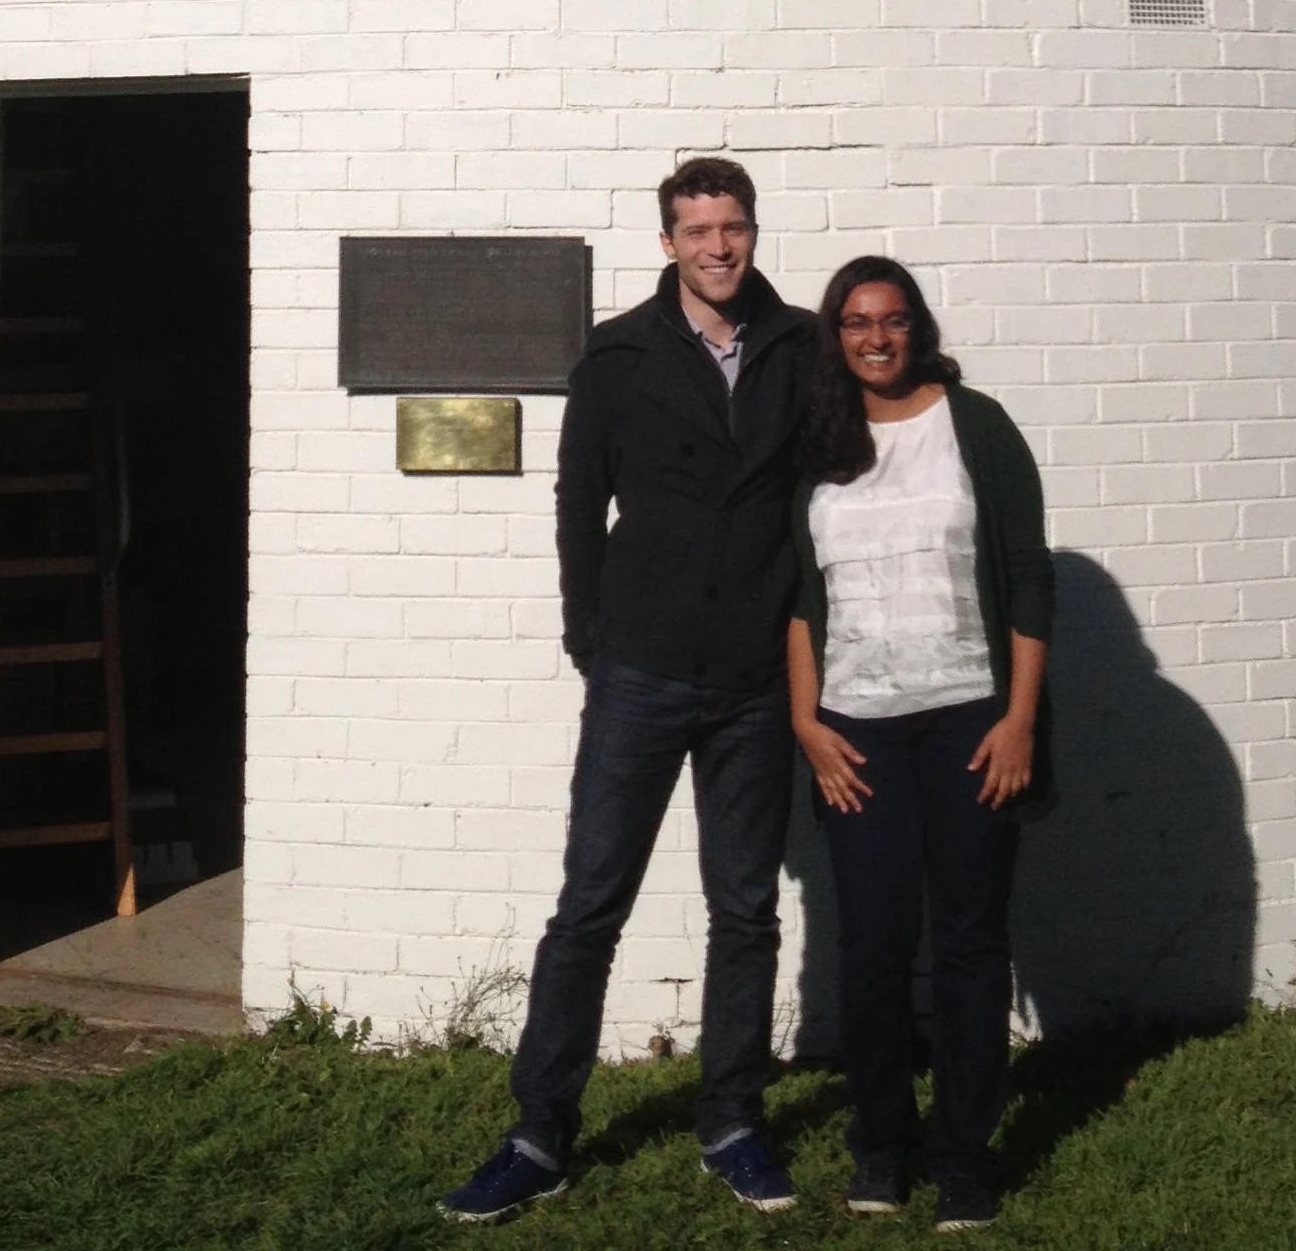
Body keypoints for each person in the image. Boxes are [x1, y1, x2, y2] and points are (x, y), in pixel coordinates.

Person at [442, 157, 815, 1222]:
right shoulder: (618, 353)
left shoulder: (797, 348)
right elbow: (576, 498)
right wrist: (588, 635)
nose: (717, 245)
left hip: (751, 676)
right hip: (641, 668)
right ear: (666, 242)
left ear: (750, 230)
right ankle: (535, 1132)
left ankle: (732, 1119)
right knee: (589, 906)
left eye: (731, 225)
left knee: (744, 910)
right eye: (695, 229)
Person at [788, 259, 1053, 1229]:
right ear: (836, 333)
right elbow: (800, 598)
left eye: (892, 319)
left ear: (916, 326)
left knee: (971, 945)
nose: (875, 336)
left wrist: (1018, 717)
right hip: (853, 729)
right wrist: (806, 720)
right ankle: (880, 1146)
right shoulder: (816, 439)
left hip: (969, 723)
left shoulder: (973, 425)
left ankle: (965, 1157)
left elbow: (1027, 578)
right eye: (856, 322)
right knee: (872, 945)